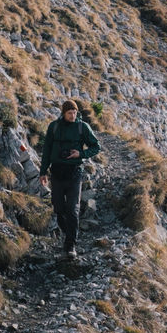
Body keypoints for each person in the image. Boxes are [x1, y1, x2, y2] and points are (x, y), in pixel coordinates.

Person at [38, 100, 101, 259]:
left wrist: (81, 154)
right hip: (57, 173)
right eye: (69, 113)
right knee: (59, 209)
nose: (73, 115)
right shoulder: (54, 127)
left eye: (74, 112)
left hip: (74, 173)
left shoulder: (82, 127)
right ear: (63, 113)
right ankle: (68, 234)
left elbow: (96, 146)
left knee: (73, 209)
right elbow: (46, 150)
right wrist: (43, 171)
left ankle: (70, 245)